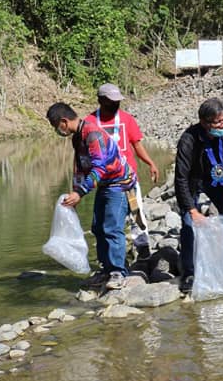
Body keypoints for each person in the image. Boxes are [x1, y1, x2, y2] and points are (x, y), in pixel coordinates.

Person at [47, 102, 137, 291]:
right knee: (98, 227)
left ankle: (118, 272)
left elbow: (99, 167)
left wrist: (80, 192)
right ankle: (106, 270)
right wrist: (74, 191)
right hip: (105, 184)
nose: (57, 131)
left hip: (119, 183)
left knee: (112, 227)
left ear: (64, 122)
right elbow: (80, 167)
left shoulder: (92, 134)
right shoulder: (77, 138)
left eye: (56, 127)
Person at [84, 83, 160, 269]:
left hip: (128, 180)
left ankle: (142, 251)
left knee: (136, 214)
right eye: (111, 101)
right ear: (100, 100)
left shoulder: (126, 119)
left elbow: (137, 144)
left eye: (117, 101)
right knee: (105, 223)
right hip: (105, 181)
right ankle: (108, 262)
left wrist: (150, 163)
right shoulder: (91, 122)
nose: (115, 104)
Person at [174, 98, 223, 293]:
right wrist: (192, 209)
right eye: (217, 122)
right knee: (189, 223)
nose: (222, 125)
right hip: (193, 180)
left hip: (218, 179)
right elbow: (180, 178)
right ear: (205, 123)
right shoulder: (188, 140)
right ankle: (189, 272)